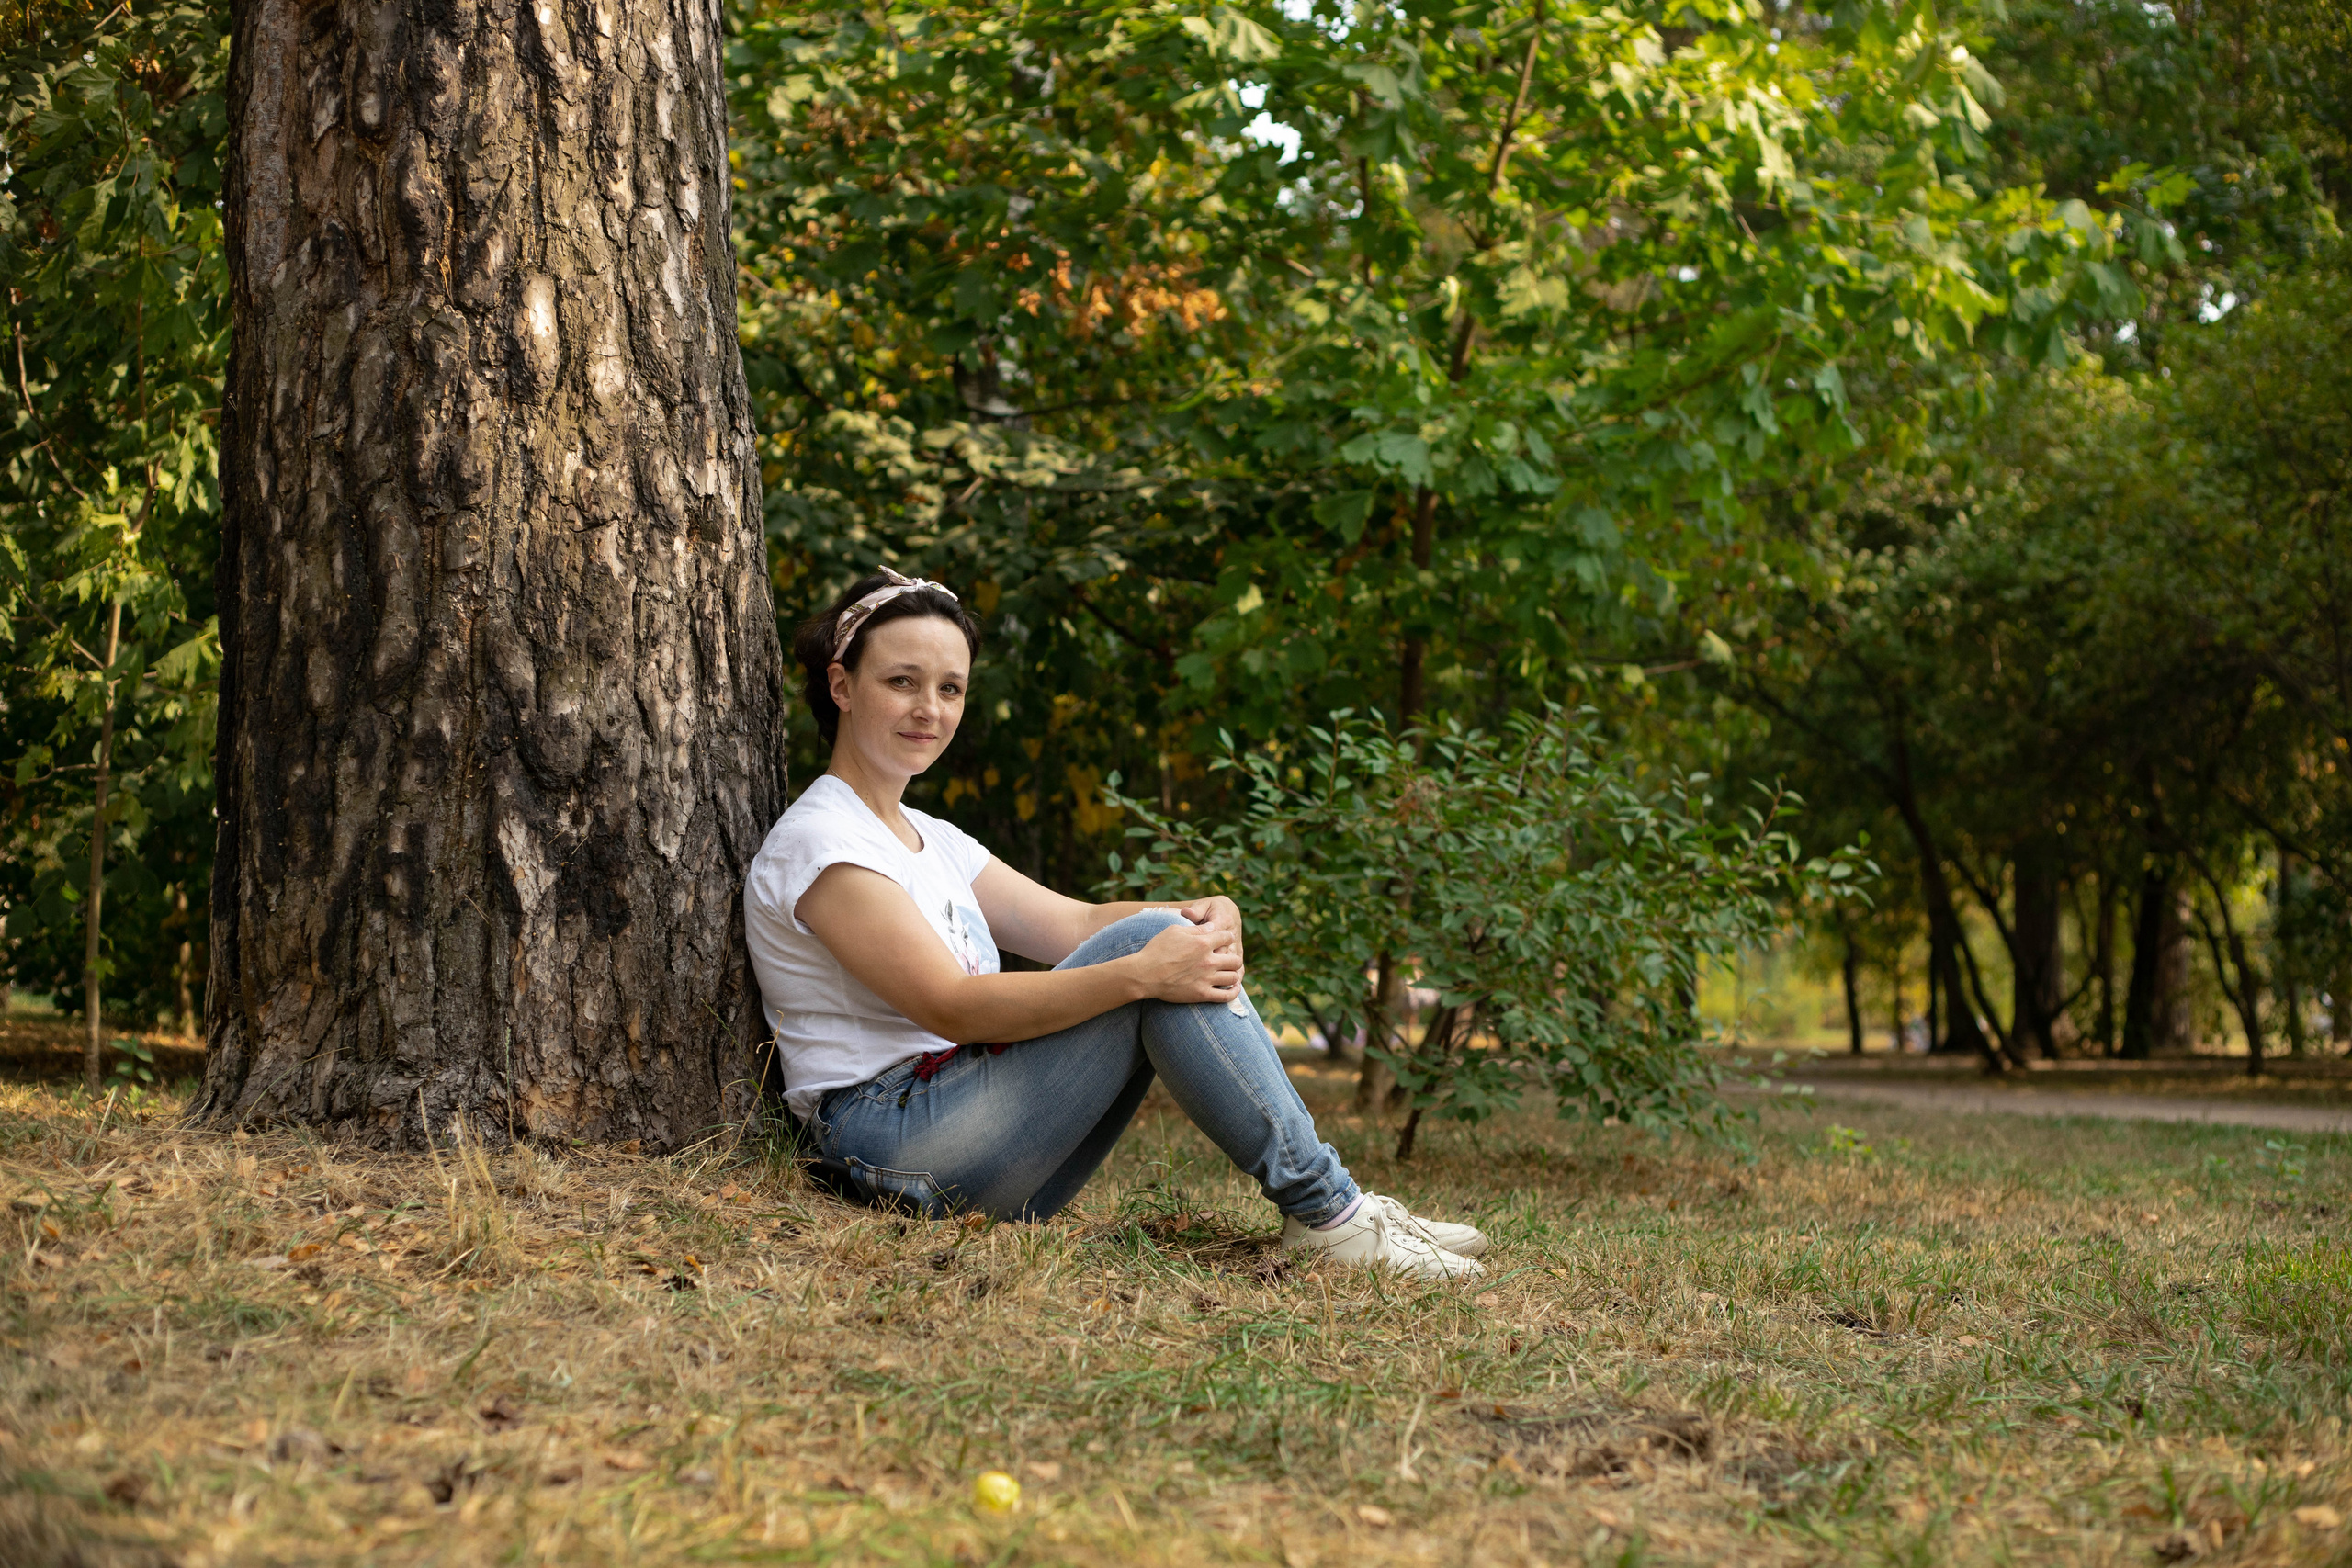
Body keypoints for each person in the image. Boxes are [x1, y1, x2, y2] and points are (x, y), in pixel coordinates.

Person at [743, 570, 1487, 1280]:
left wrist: (1197, 913)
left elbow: (1078, 922)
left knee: (1158, 935)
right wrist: (1142, 968)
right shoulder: (823, 840)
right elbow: (949, 1005)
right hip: (888, 1141)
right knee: (1144, 951)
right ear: (842, 684)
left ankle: (1336, 1206)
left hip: (961, 1122)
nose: (928, 709)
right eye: (901, 681)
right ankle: (1331, 1213)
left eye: (950, 688)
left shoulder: (926, 835)